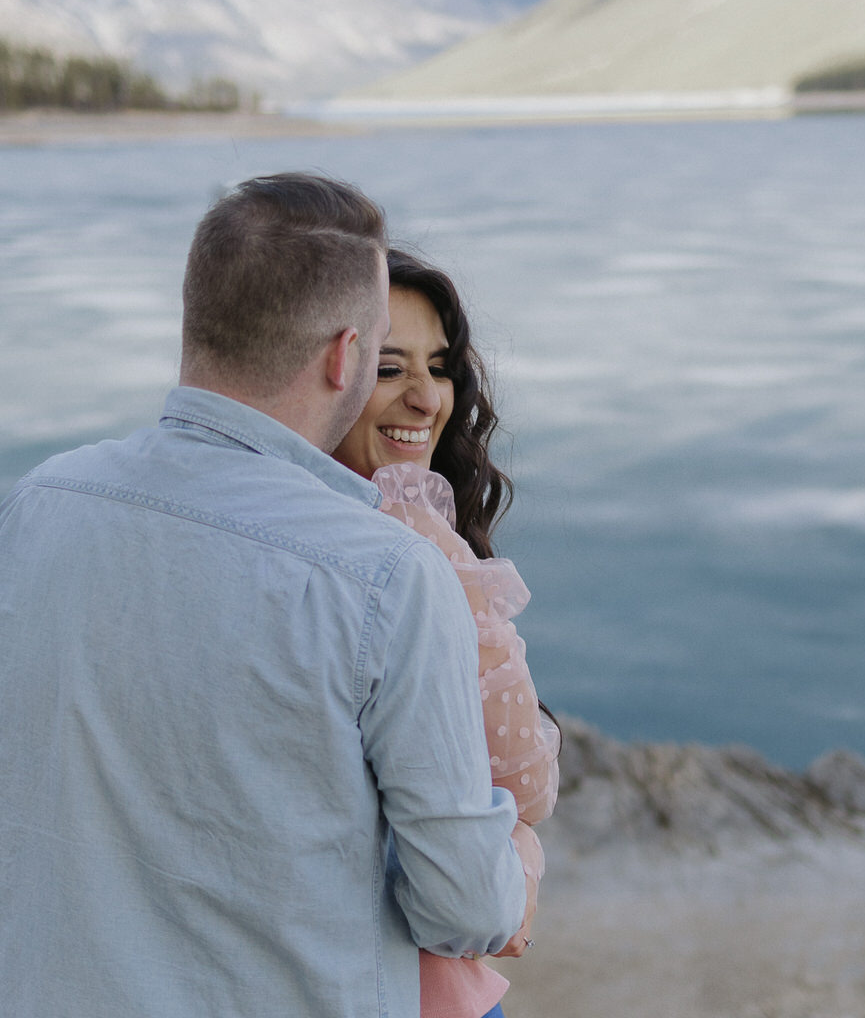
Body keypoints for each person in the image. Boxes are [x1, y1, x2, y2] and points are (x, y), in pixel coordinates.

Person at [0, 173, 527, 1018]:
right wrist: (512, 846)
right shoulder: (387, 575)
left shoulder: (36, 504)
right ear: (344, 354)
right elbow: (468, 910)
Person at [335, 248, 560, 1018]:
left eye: (438, 368)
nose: (426, 399)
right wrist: (522, 850)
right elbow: (524, 779)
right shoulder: (410, 546)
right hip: (412, 986)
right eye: (388, 369)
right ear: (331, 372)